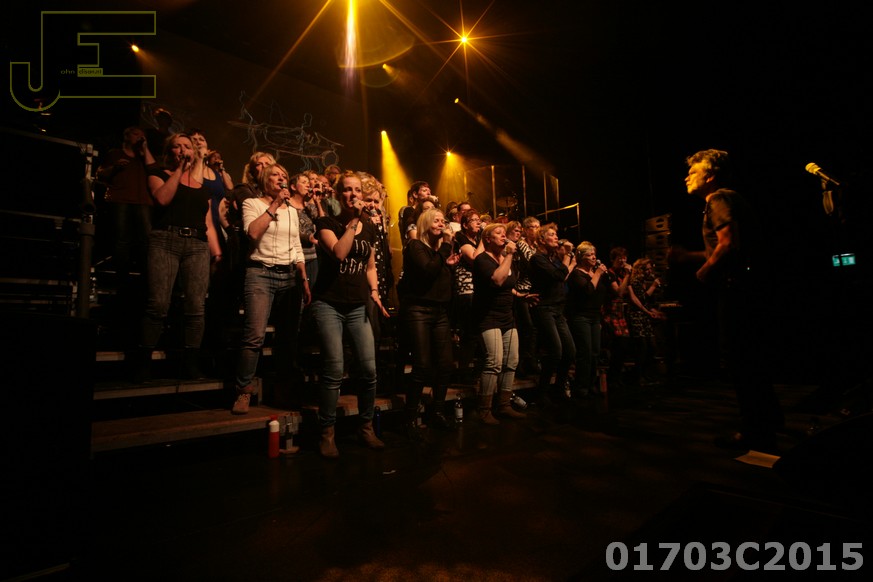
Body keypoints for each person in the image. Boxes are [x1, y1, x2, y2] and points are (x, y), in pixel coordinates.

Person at [675, 148, 783, 453]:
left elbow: (727, 243)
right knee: (752, 356)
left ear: (710, 176)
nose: (687, 177)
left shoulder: (719, 199)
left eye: (693, 172)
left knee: (739, 358)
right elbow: (723, 246)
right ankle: (770, 418)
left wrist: (704, 270)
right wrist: (691, 256)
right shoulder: (728, 199)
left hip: (737, 288)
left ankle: (755, 431)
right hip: (750, 285)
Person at [311, 170, 390, 458]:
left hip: (357, 305)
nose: (352, 194)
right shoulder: (326, 223)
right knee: (334, 369)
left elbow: (369, 264)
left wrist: (375, 292)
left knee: (368, 370)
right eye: (346, 189)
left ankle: (365, 428)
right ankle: (327, 433)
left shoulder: (368, 227)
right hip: (328, 304)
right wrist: (354, 221)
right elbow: (339, 253)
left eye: (357, 190)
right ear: (337, 194)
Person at [134, 133, 222, 382]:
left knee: (196, 307)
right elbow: (162, 198)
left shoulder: (203, 188)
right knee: (158, 304)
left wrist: (216, 251)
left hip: (197, 245)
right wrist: (179, 171)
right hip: (165, 241)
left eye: (187, 146)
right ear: (168, 152)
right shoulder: (158, 174)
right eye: (177, 146)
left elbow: (208, 223)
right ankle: (143, 363)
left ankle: (191, 364)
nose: (183, 150)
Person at [231, 165, 311, 414]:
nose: (281, 179)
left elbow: (296, 244)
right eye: (276, 175)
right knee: (254, 335)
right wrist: (275, 204)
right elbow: (253, 232)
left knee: (288, 337)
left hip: (289, 276)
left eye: (284, 176)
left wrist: (303, 276)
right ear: (265, 180)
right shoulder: (252, 204)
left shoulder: (292, 211)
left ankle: (283, 392)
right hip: (260, 274)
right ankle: (243, 390)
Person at [396, 207, 460, 438]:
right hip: (418, 310)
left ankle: (438, 412)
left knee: (445, 364)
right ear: (425, 224)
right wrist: (445, 247)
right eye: (436, 220)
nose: (442, 224)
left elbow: (441, 281)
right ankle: (409, 418)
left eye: (443, 221)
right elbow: (427, 271)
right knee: (422, 365)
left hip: (439, 312)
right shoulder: (416, 246)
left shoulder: (439, 252)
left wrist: (448, 265)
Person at [95, 126, 157, 345]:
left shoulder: (143, 157)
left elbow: (154, 170)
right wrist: (115, 167)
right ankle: (122, 277)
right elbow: (101, 174)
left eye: (142, 134)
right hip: (120, 199)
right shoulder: (115, 153)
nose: (141, 136)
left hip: (143, 202)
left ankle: (146, 276)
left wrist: (145, 149)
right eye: (136, 133)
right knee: (121, 239)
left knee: (146, 240)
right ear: (126, 136)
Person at [472, 223, 534, 423]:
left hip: (507, 315)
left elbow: (508, 285)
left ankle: (504, 405)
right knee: (494, 362)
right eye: (497, 233)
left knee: (511, 360)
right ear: (487, 239)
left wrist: (520, 295)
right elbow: (497, 280)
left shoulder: (507, 259)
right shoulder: (482, 259)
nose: (503, 236)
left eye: (503, 233)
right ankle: (484, 410)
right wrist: (508, 255)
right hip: (488, 316)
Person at [528, 223, 576, 407]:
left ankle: (559, 388)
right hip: (545, 308)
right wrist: (567, 258)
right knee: (555, 350)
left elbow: (561, 275)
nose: (556, 237)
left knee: (570, 351)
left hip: (558, 309)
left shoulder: (552, 258)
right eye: (551, 235)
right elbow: (558, 275)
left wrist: (566, 259)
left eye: (556, 235)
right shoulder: (537, 259)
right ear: (541, 239)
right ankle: (542, 392)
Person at [566, 242, 613, 398]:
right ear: (581, 257)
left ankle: (591, 383)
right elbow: (588, 291)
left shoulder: (595, 273)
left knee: (595, 352)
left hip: (595, 317)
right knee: (585, 352)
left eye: (594, 254)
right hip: (581, 317)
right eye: (589, 255)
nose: (594, 257)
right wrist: (598, 274)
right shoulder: (576, 275)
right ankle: (581, 386)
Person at [452, 208, 484, 383]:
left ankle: (475, 372)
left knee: (478, 332)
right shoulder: (461, 238)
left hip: (478, 289)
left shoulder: (477, 240)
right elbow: (474, 259)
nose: (478, 222)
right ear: (464, 225)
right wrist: (484, 239)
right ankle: (463, 372)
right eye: (474, 220)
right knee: (469, 333)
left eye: (479, 219)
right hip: (466, 290)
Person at [626, 257, 666, 387]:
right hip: (636, 316)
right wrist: (653, 286)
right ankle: (638, 376)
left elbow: (647, 302)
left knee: (651, 346)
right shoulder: (635, 281)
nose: (649, 272)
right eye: (647, 269)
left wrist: (654, 311)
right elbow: (641, 299)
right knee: (642, 347)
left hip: (644, 316)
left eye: (650, 269)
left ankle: (648, 374)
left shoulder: (643, 282)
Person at [601, 246, 633, 390]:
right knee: (618, 344)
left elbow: (629, 293)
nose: (623, 260)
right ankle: (612, 378)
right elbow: (618, 292)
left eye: (624, 257)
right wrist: (627, 276)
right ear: (613, 259)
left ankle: (616, 377)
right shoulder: (609, 274)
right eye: (619, 258)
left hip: (620, 313)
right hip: (611, 312)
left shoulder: (622, 274)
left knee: (624, 345)